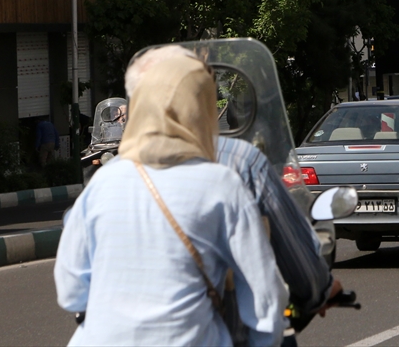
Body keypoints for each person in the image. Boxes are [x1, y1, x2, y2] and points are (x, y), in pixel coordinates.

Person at [55, 51, 286, 346]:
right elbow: (264, 300)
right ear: (201, 111)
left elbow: (71, 291)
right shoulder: (221, 185)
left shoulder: (102, 183)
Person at [123, 46, 339, 322]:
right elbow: (281, 274)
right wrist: (319, 289)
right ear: (202, 100)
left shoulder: (104, 181)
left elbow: (72, 293)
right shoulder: (237, 165)